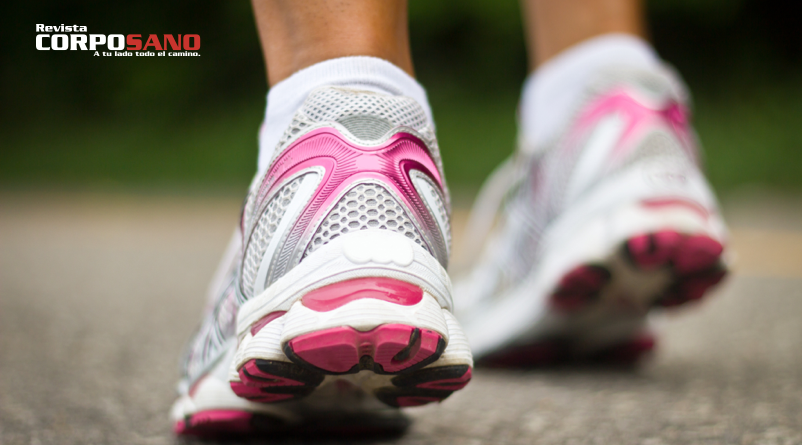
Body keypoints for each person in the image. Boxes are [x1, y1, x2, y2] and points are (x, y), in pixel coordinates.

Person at [170, 0, 728, 436]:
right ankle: (611, 117)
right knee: (593, 72)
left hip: (321, 206)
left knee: (336, 86)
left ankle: (330, 138)